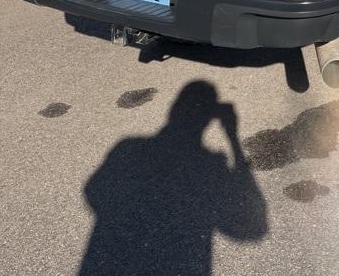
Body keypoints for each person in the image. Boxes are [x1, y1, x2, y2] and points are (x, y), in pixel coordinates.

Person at [78, 80, 267, 276]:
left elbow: (93, 190)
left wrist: (125, 219)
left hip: (110, 260)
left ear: (173, 110)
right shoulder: (210, 166)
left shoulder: (128, 147)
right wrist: (233, 138)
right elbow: (252, 228)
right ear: (210, 118)